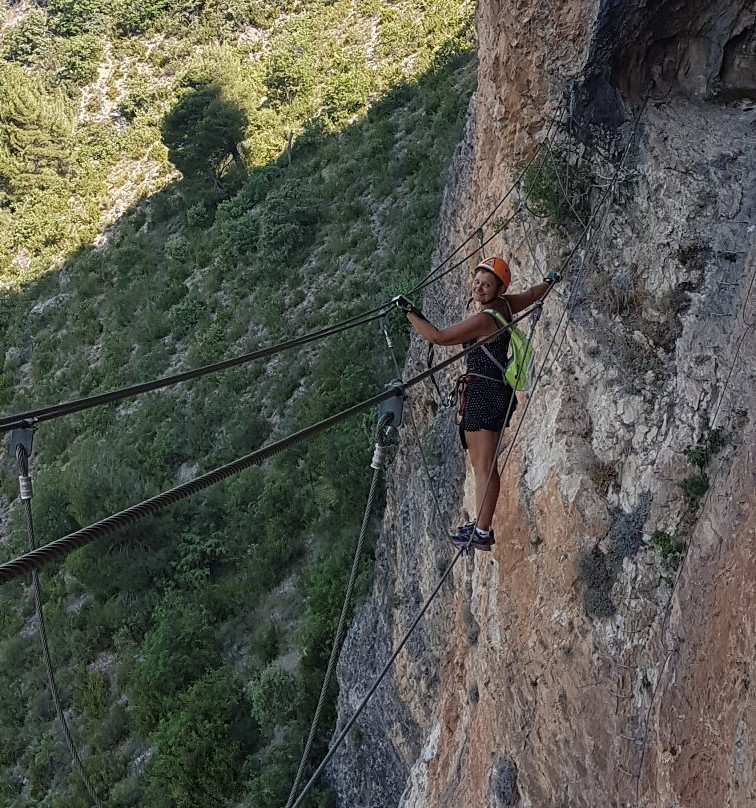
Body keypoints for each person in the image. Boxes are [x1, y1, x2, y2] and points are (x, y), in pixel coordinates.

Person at [395, 257, 560, 550]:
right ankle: (481, 527)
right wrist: (549, 281)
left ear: (497, 289)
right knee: (486, 465)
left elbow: (439, 337)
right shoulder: (505, 306)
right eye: (477, 281)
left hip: (482, 394)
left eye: (486, 284)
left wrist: (409, 312)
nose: (479, 288)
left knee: (482, 466)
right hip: (497, 393)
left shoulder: (485, 319)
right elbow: (532, 295)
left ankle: (482, 532)